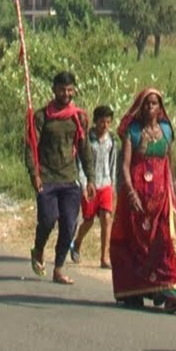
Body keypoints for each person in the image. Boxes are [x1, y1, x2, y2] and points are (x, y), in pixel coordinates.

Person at [110, 88, 176, 313]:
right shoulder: (133, 132)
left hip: (162, 197)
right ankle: (136, 290)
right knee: (137, 244)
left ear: (160, 107)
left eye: (154, 104)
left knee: (166, 241)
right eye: (146, 104)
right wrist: (131, 194)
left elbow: (169, 163)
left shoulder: (166, 131)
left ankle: (172, 293)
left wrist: (175, 191)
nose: (150, 108)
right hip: (137, 199)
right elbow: (125, 166)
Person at [26, 71, 94, 285]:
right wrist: (34, 174)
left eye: (70, 89)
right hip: (46, 177)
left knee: (69, 224)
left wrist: (90, 178)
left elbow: (85, 149)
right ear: (54, 90)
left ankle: (58, 267)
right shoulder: (41, 116)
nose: (66, 93)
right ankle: (38, 249)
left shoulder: (79, 117)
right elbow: (30, 147)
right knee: (47, 220)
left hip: (70, 179)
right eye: (62, 89)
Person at [72, 105, 117, 270]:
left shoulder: (111, 140)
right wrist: (83, 185)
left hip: (105, 184)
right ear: (95, 121)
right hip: (90, 184)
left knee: (106, 218)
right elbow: (80, 163)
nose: (104, 126)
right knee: (89, 220)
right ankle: (77, 243)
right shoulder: (86, 139)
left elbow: (112, 164)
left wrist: (113, 185)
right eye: (102, 122)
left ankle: (104, 257)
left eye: (108, 122)